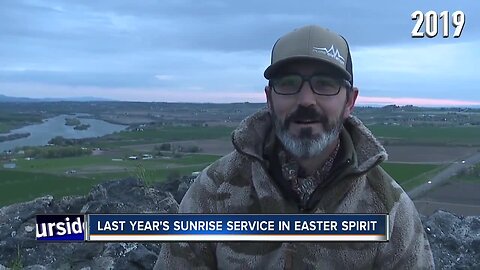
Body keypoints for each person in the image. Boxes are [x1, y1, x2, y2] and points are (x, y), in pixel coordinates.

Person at [155, 25, 434, 269]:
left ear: (350, 101)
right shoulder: (215, 192)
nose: (306, 100)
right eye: (289, 84)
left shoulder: (389, 210)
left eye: (325, 84)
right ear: (269, 98)